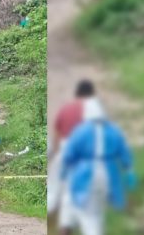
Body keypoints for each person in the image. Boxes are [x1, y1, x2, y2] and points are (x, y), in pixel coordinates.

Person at [60, 98, 136, 235]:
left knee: (88, 214)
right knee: (99, 212)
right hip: (110, 173)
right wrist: (129, 170)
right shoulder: (113, 131)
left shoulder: (81, 131)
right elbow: (124, 152)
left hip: (87, 174)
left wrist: (64, 171)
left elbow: (69, 154)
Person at [48, 80, 96, 214]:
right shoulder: (92, 110)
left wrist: (57, 152)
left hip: (64, 147)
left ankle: (51, 210)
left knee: (54, 184)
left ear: (77, 93)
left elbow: (57, 132)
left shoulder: (66, 108)